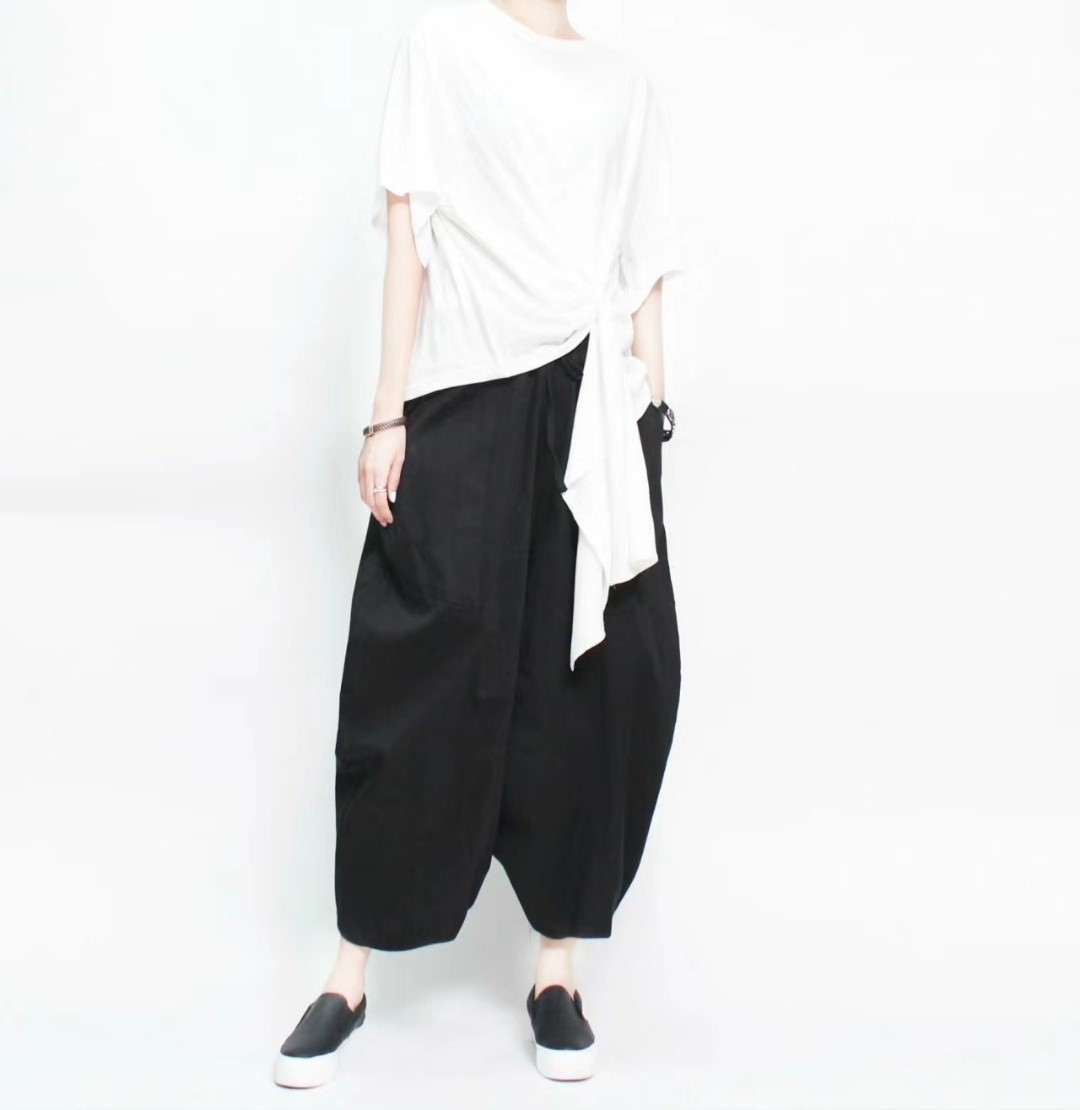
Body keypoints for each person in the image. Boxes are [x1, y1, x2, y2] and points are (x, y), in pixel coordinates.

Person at [274, 0, 687, 1087]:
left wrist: (655, 414)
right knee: (417, 663)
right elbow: (409, 229)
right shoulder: (444, 49)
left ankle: (557, 972)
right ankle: (349, 973)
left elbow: (644, 263)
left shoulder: (625, 85)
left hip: (596, 403)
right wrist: (387, 413)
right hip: (468, 384)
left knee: (594, 680)